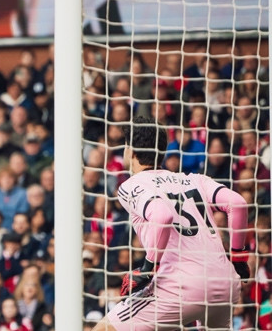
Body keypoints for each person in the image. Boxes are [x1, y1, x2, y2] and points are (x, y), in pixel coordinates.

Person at [94, 119, 248, 331]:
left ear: (130, 151)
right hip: (225, 283)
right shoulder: (195, 180)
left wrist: (148, 268)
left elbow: (162, 215)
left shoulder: (131, 185)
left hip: (180, 286)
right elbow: (238, 204)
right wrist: (238, 257)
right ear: (162, 152)